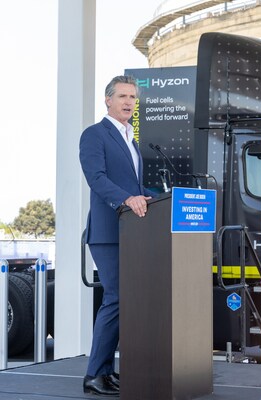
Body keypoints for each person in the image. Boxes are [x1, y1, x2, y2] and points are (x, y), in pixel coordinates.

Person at [79, 75, 156, 396]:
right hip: (108, 232)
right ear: (107, 100)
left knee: (123, 300)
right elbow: (96, 177)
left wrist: (157, 197)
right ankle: (94, 374)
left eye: (133, 98)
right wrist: (126, 199)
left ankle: (106, 372)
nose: (129, 102)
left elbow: (134, 187)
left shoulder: (131, 138)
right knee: (117, 298)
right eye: (123, 96)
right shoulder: (95, 135)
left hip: (130, 232)